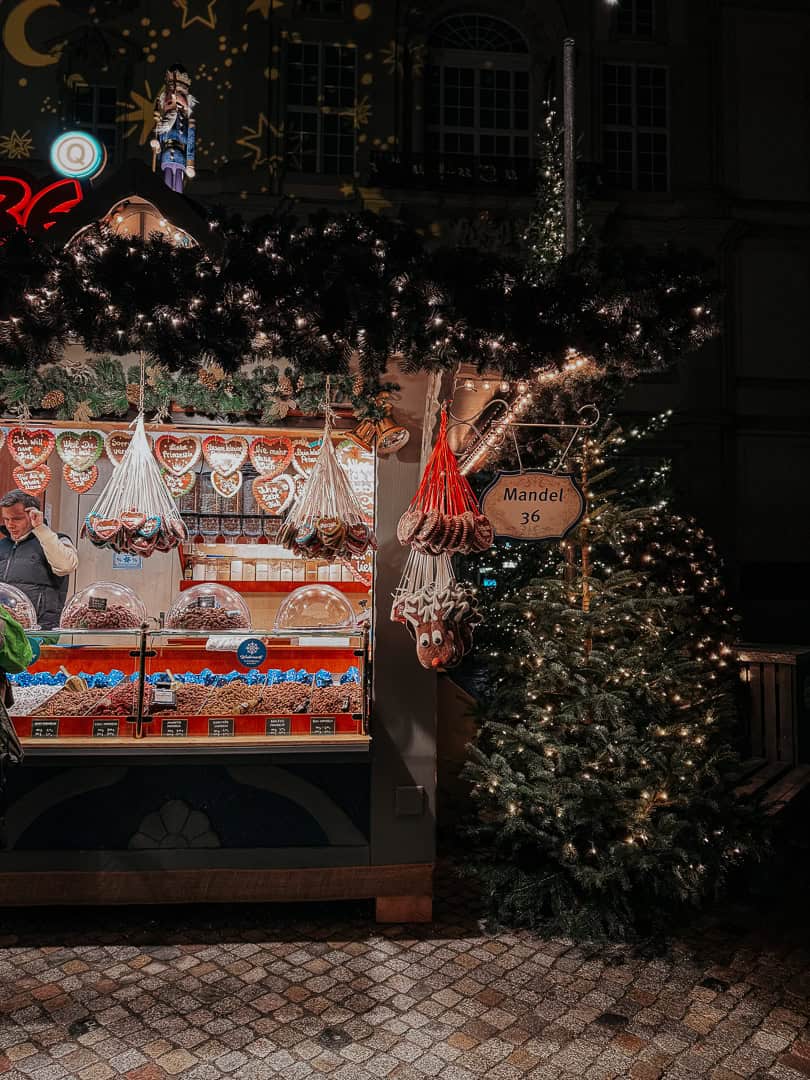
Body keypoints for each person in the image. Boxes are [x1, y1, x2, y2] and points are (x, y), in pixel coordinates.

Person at [0, 490, 78, 630]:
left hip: (41, 629)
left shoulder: (56, 540)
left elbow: (66, 566)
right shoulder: (2, 545)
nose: (10, 524)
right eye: (6, 519)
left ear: (33, 514)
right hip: (5, 628)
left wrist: (41, 529)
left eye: (17, 518)